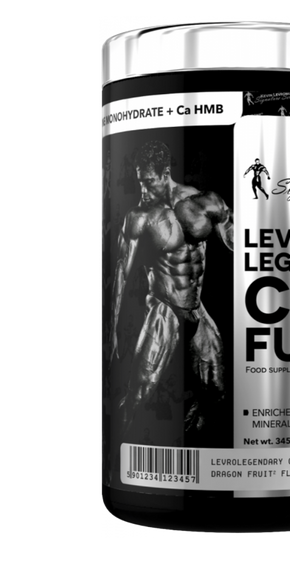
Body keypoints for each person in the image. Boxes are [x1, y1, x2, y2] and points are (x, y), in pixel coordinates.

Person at [110, 140, 233, 437]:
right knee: (140, 391)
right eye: (140, 182)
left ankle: (194, 437)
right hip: (164, 308)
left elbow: (240, 241)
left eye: (149, 182)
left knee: (217, 389)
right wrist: (111, 331)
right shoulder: (139, 217)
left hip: (196, 308)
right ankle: (120, 448)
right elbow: (120, 273)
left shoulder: (203, 203)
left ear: (165, 173)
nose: (144, 190)